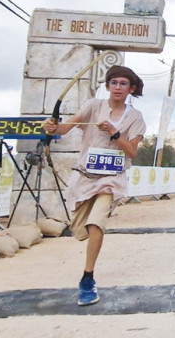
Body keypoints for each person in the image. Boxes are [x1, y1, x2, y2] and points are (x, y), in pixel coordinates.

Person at [43, 65, 146, 306]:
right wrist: (52, 127)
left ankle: (87, 278)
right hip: (86, 177)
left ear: (131, 89)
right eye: (114, 83)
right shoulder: (92, 106)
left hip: (112, 179)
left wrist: (114, 132)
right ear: (107, 86)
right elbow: (64, 128)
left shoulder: (136, 117)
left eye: (123, 84)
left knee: (96, 222)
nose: (118, 87)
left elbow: (132, 152)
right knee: (81, 230)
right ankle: (88, 261)